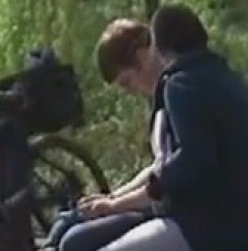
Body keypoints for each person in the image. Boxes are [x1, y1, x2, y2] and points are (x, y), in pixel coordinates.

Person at [80, 3, 248, 251]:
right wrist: (116, 200)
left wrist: (132, 198)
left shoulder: (180, 85)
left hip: (210, 228)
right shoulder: (229, 79)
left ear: (159, 49)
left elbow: (193, 159)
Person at [41, 18, 168, 251]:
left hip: (172, 212)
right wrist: (111, 198)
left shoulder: (178, 97)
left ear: (141, 58)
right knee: (65, 222)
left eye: (128, 82)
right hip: (155, 202)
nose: (132, 91)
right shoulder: (162, 101)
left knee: (76, 241)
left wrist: (116, 205)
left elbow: (168, 180)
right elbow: (157, 168)